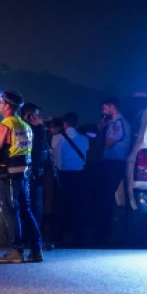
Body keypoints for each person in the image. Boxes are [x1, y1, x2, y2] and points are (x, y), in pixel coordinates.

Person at [0, 90, 43, 263]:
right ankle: (36, 250)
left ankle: (15, 251)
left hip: (8, 177)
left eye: (0, 102)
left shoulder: (4, 127)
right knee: (26, 211)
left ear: (7, 106)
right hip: (23, 175)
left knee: (11, 213)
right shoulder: (25, 126)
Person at [96, 96, 131, 247]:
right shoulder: (114, 123)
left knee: (107, 196)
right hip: (111, 162)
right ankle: (104, 229)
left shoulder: (118, 124)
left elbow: (108, 144)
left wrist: (99, 136)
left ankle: (104, 231)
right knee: (105, 196)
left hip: (114, 162)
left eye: (105, 108)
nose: (103, 112)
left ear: (112, 107)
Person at [52, 112, 89, 246]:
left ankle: (59, 236)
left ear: (64, 123)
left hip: (62, 175)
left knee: (61, 206)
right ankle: (79, 237)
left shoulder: (56, 138)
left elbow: (55, 156)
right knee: (78, 207)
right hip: (79, 175)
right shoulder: (84, 138)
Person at [22, 103, 51, 246]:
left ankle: (31, 238)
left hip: (31, 172)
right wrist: (40, 128)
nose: (39, 118)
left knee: (34, 205)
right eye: (37, 115)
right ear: (29, 116)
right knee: (34, 205)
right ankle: (33, 238)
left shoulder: (21, 127)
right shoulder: (30, 130)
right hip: (31, 172)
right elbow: (39, 149)